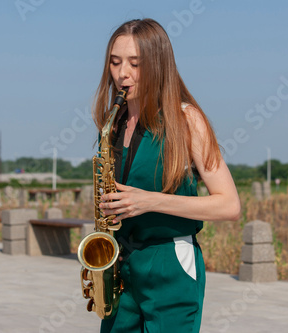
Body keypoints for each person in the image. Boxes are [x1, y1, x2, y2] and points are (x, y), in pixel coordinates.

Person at [93, 19, 241, 332]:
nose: (123, 73)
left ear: (159, 66)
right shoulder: (113, 125)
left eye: (136, 63)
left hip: (170, 265)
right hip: (122, 266)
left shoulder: (186, 119)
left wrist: (150, 201)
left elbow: (229, 206)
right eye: (115, 62)